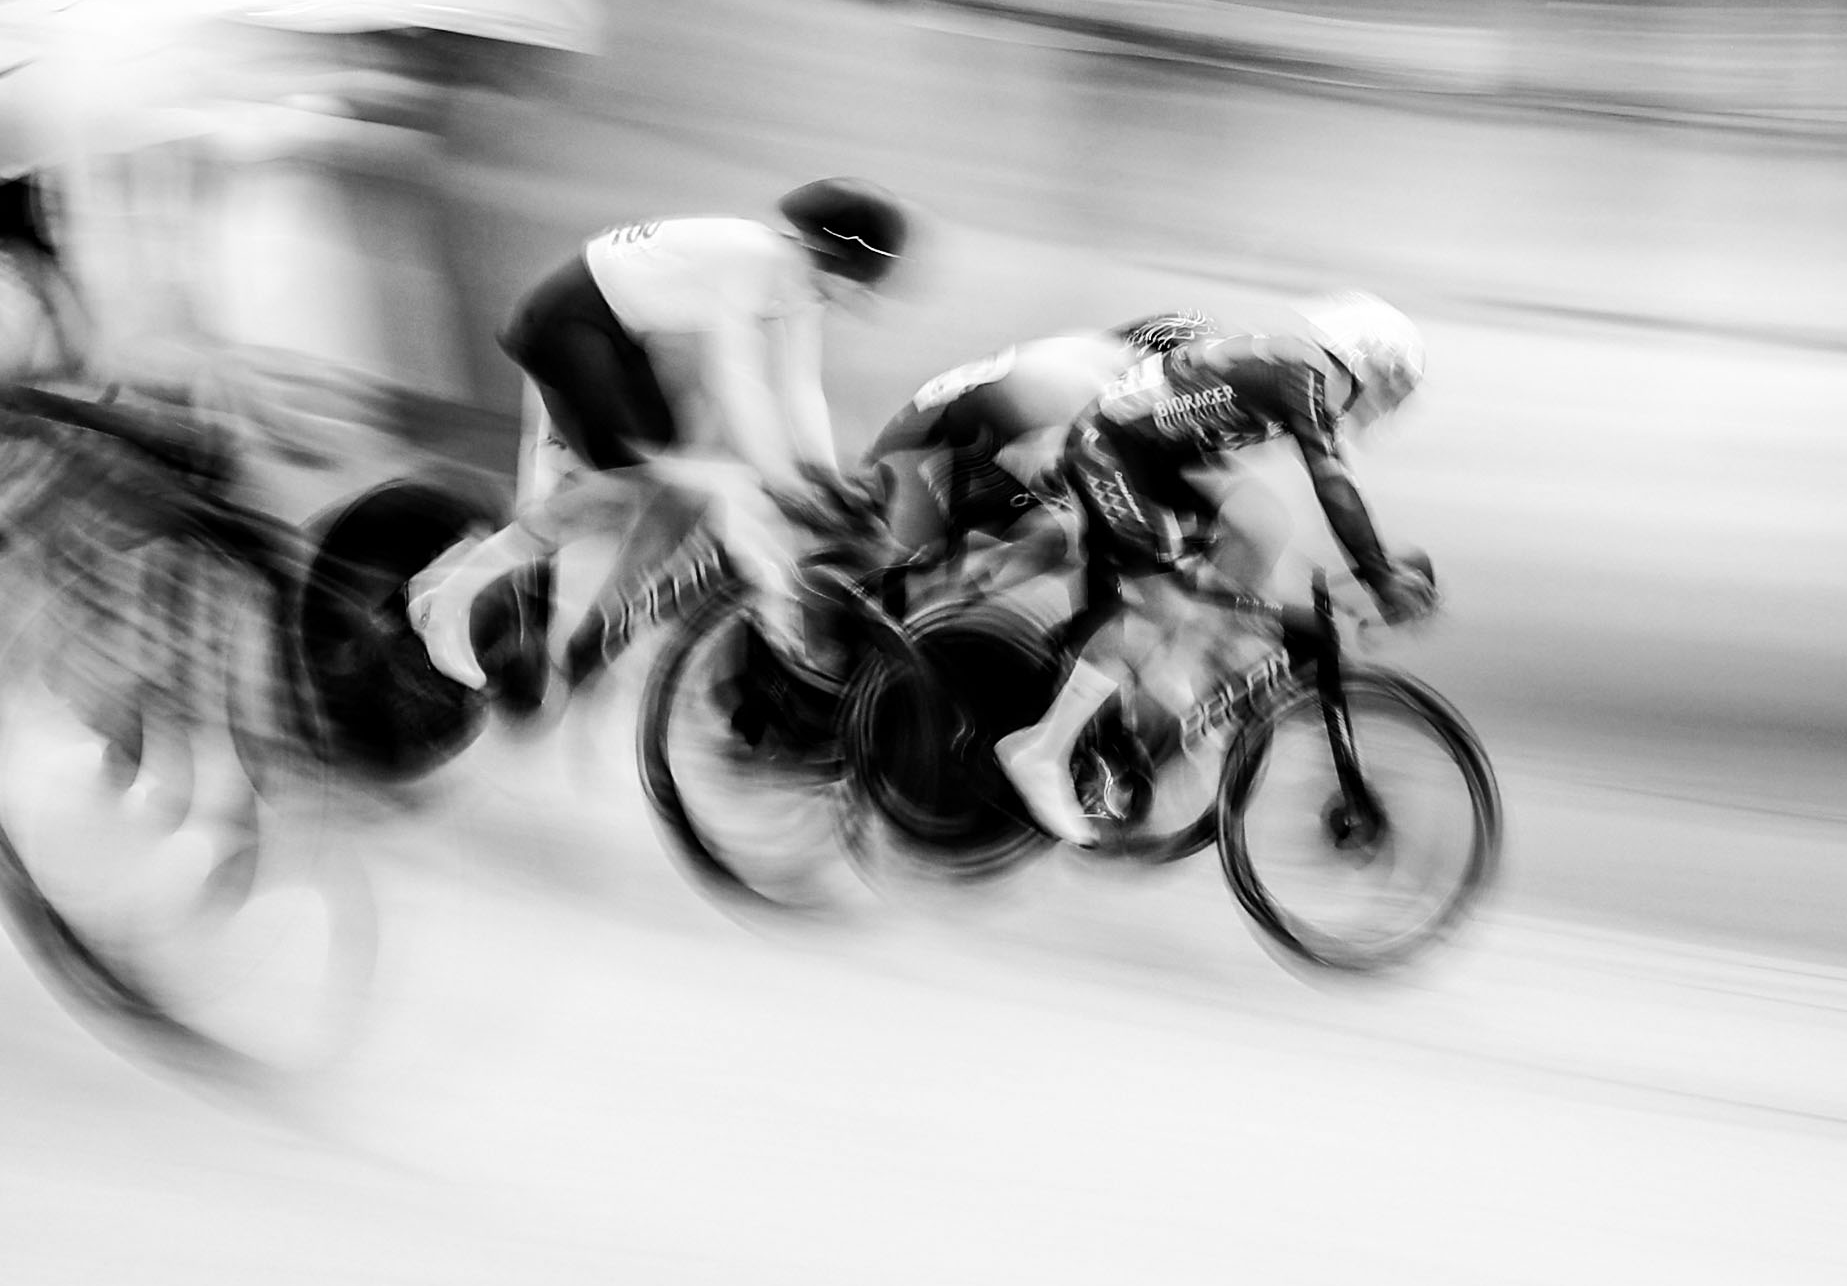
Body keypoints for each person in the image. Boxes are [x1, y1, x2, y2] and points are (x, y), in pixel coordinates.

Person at [0, 0, 595, 706]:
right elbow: (129, 229)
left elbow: (240, 247)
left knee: (67, 377)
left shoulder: (268, 74)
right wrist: (174, 354)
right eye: (437, 66)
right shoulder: (180, 61)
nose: (418, 96)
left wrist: (250, 373)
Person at [418, 179, 910, 703]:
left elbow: (799, 388)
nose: (859, 300)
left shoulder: (802, 286)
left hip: (616, 335)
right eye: (861, 286)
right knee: (638, 483)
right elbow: (737, 380)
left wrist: (825, 476)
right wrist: (784, 480)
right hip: (568, 322)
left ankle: (597, 632)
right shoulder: (755, 257)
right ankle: (444, 594)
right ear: (832, 257)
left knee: (683, 488)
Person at [989, 291, 1431, 851]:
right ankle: (1040, 750)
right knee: (1162, 603)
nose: (1388, 405)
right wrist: (1379, 572)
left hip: (1150, 460)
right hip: (1107, 453)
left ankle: (1186, 662)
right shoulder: (1305, 371)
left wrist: (1377, 568)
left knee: (1259, 527)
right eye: (1392, 388)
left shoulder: (1299, 373)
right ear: (1365, 362)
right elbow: (1332, 480)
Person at [860, 310, 1208, 586]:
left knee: (1059, 533)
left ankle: (945, 606)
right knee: (1062, 536)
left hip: (933, 439)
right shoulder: (1101, 385)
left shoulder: (1092, 351)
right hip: (929, 453)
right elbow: (1081, 481)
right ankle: (940, 615)